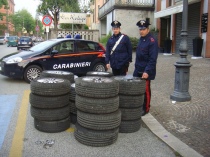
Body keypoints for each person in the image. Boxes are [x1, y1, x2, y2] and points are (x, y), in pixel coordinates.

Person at [133, 20, 158, 116]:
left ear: (147, 29)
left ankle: (146, 108)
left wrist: (147, 71)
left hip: (146, 71)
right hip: (138, 69)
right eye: (140, 29)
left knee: (146, 90)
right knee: (138, 89)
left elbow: (152, 59)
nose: (141, 31)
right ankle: (139, 105)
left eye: (143, 29)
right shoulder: (141, 39)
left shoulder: (152, 41)